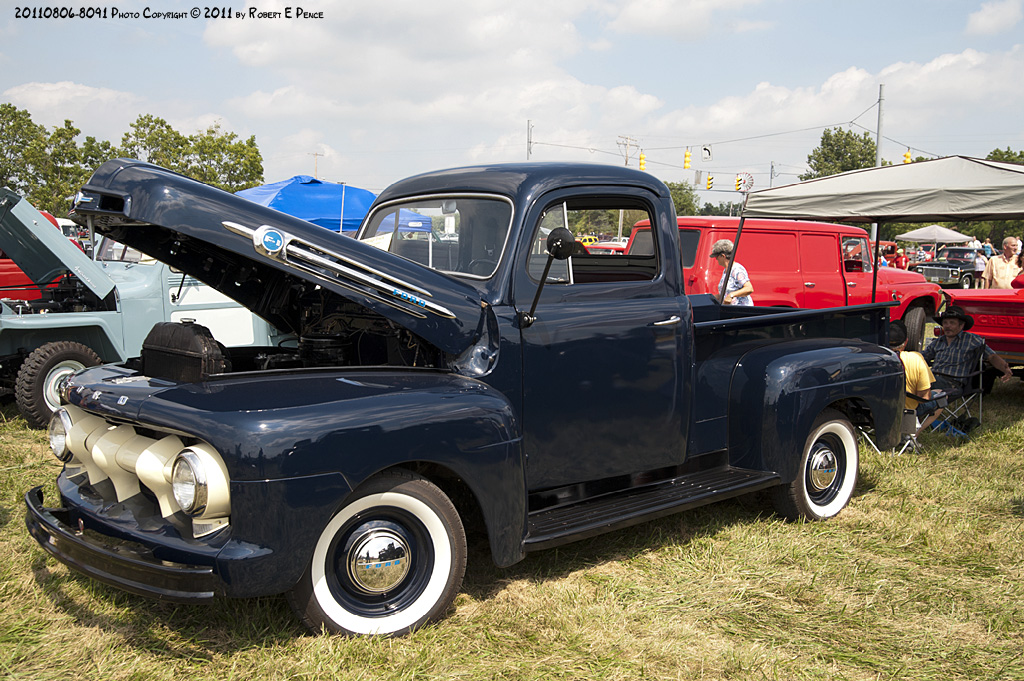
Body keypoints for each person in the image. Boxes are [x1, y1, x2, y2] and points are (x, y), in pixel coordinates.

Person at [920, 306, 1014, 396]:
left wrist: (1004, 368)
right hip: (932, 379)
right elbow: (921, 359)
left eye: (952, 323)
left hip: (952, 383)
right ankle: (915, 409)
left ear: (961, 325)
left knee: (916, 385)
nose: (948, 326)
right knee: (911, 380)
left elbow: (991, 356)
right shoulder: (938, 342)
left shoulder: (971, 340)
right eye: (945, 323)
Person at [889, 320, 942, 436]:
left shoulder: (874, 358)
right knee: (942, 396)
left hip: (879, 410)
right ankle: (915, 433)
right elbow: (924, 397)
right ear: (906, 341)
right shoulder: (916, 358)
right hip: (907, 411)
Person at [709, 239, 753, 306]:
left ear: (723, 256)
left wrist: (731, 295)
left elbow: (749, 288)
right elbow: (726, 293)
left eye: (716, 257)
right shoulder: (726, 271)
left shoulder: (737, 269)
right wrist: (711, 298)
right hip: (731, 310)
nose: (716, 259)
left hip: (741, 309)